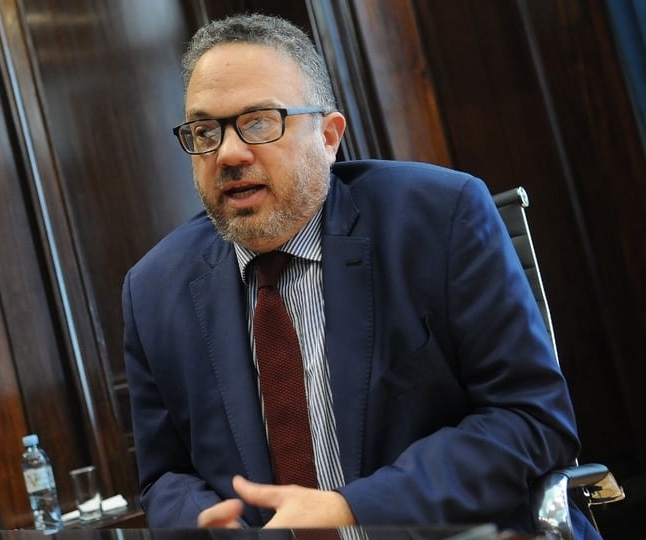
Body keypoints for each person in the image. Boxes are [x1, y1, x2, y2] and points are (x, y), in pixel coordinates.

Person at [122, 12, 598, 538]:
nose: (228, 153)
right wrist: (212, 528)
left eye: (259, 122)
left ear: (329, 136)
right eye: (205, 131)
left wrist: (353, 506)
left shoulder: (440, 218)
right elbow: (165, 475)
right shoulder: (154, 290)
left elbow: (530, 419)